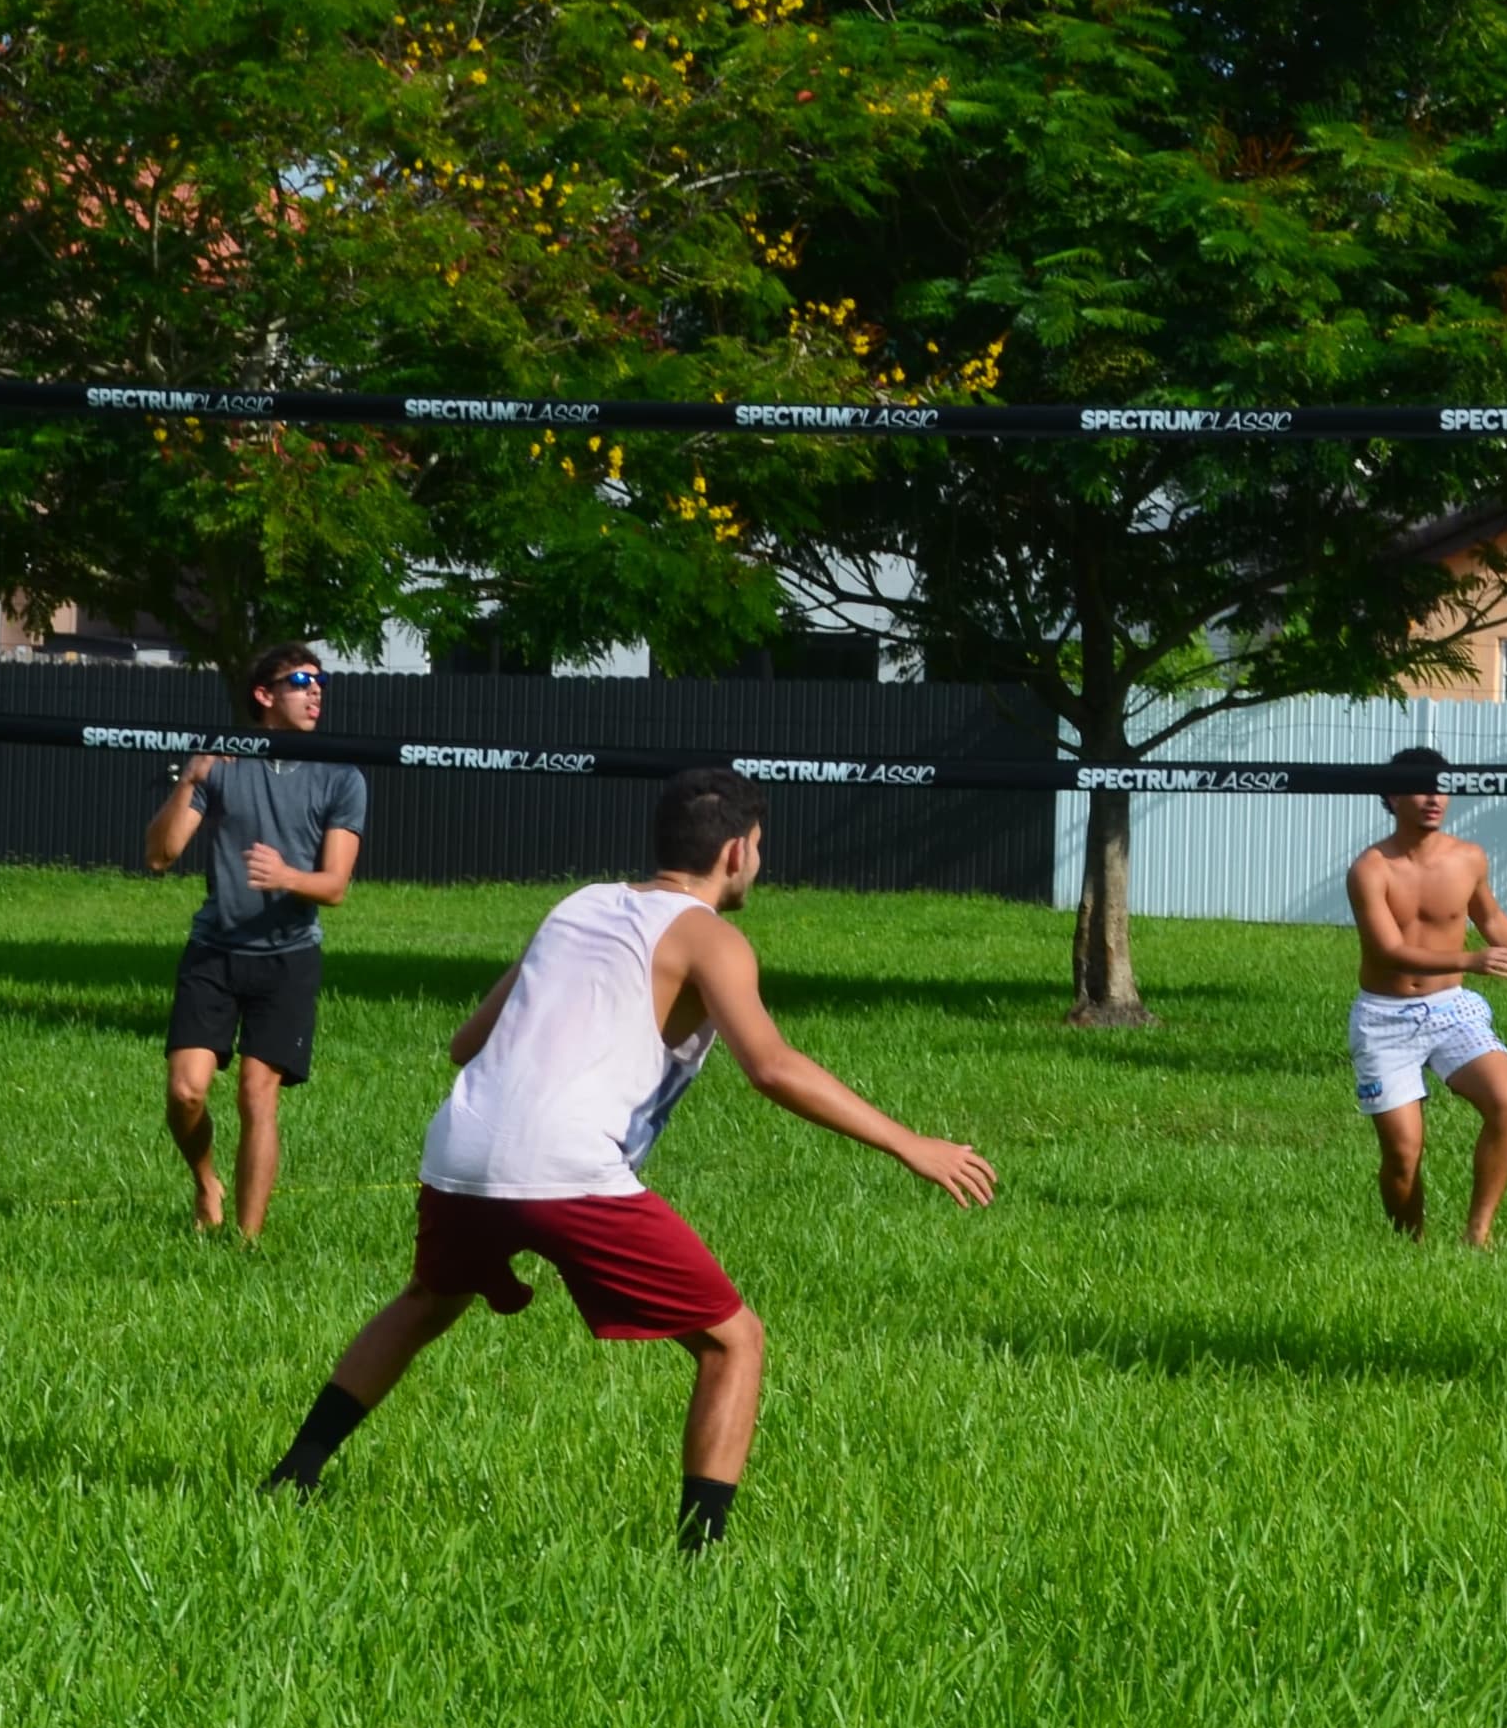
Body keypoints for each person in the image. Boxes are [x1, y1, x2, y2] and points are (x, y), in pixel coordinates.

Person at [258, 769, 997, 1550]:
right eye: (759, 848)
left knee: (427, 1302)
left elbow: (464, 1044)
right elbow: (771, 1066)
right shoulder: (710, 936)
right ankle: (699, 1553)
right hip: (568, 1167)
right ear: (737, 852)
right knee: (733, 1340)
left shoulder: (576, 906)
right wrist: (912, 1143)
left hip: (458, 1151)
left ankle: (294, 1474)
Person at [143, 643, 364, 1239]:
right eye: (300, 681)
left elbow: (336, 886)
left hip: (288, 957)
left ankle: (245, 1244)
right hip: (215, 950)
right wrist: (190, 779)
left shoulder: (341, 773)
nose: (315, 692)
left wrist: (287, 877)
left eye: (321, 682)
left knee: (255, 1093)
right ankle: (206, 1183)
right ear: (264, 696)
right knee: (186, 1092)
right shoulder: (225, 763)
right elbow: (160, 855)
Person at [1345, 747, 1507, 1246]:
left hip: (1452, 1010)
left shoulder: (1469, 857)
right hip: (1385, 1018)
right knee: (1402, 1156)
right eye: (1421, 788)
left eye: (1440, 786)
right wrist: (1471, 960)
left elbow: (1490, 919)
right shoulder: (1371, 869)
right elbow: (1390, 950)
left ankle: (1478, 1234)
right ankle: (1411, 1249)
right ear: (1393, 797)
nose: (1434, 798)